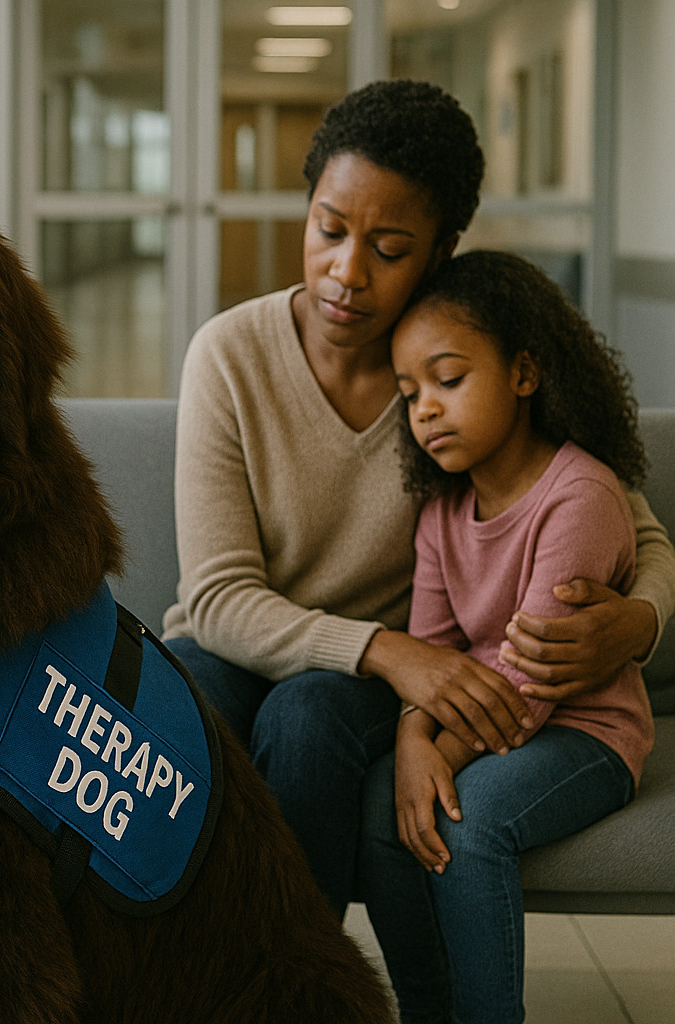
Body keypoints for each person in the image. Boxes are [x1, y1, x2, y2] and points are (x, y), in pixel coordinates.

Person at [160, 78, 675, 920]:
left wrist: (641, 621)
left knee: (307, 716)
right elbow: (216, 598)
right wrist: (395, 653)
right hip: (263, 650)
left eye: (389, 249)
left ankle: (304, 990)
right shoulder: (228, 355)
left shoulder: (455, 376)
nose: (346, 272)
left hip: (353, 688)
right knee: (173, 694)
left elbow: (638, 527)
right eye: (328, 230)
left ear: (440, 251)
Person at [358, 250, 654, 1023]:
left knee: (468, 819)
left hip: (585, 731)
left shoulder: (580, 495)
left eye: (448, 380)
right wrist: (412, 740)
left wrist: (434, 761)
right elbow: (430, 654)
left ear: (523, 374)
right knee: (379, 807)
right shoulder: (440, 515)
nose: (424, 409)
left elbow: (534, 680)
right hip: (486, 724)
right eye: (409, 393)